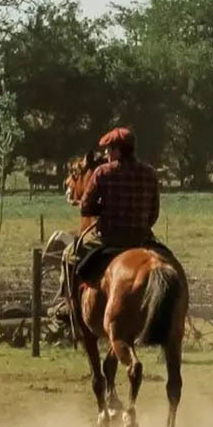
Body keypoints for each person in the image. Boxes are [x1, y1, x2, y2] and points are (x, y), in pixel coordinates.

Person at [58, 125, 160, 314]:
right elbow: (154, 213)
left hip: (108, 239)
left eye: (108, 150)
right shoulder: (150, 173)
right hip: (142, 239)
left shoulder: (103, 172)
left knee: (68, 256)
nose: (106, 154)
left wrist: (102, 209)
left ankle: (70, 307)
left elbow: (85, 208)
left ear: (117, 150)